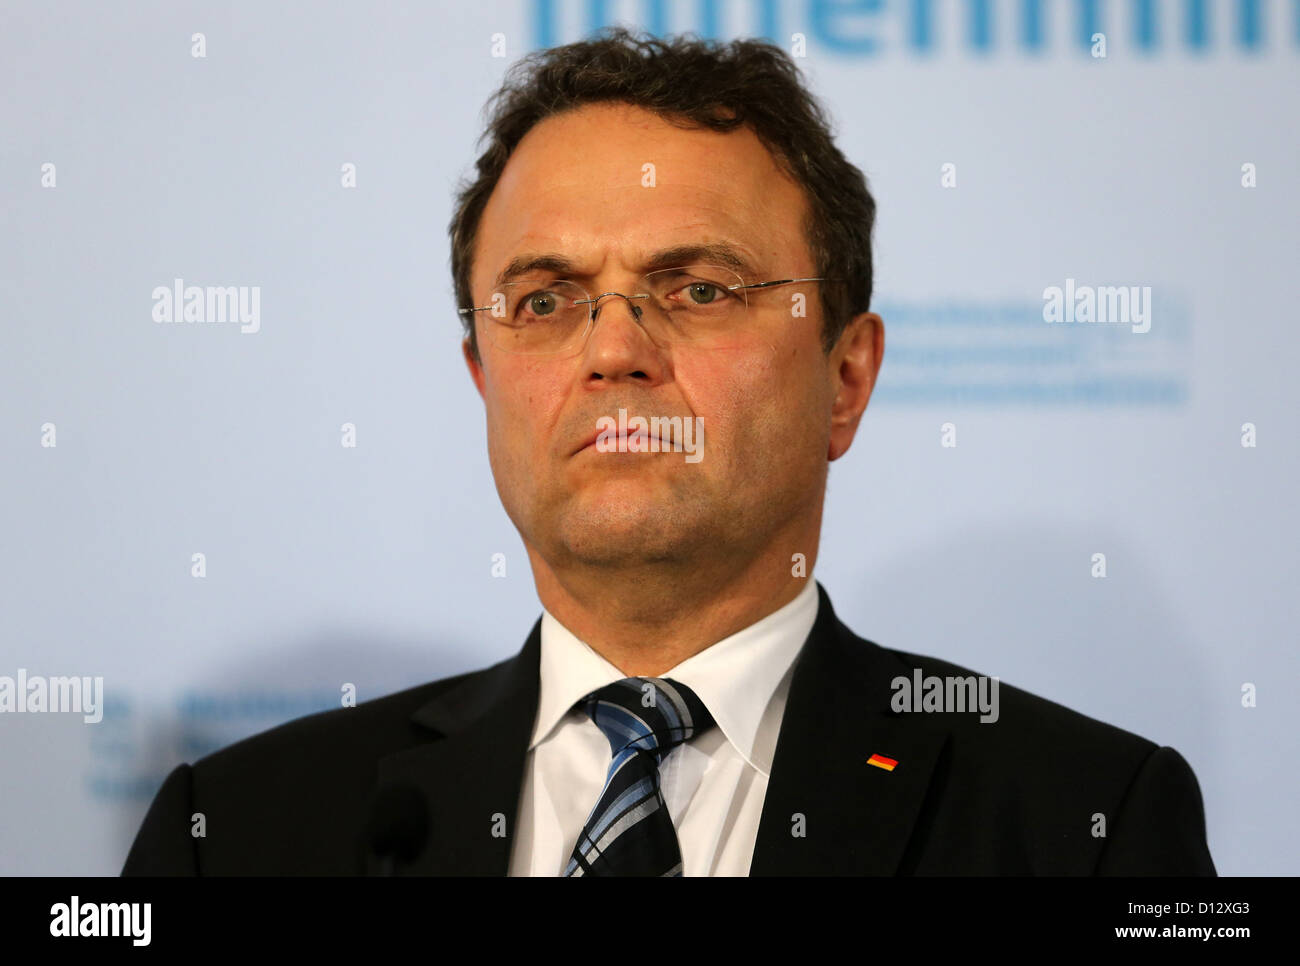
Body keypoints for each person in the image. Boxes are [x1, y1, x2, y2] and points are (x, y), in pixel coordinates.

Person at [122, 28, 1214, 877]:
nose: (613, 350)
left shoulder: (1084, 822)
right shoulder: (239, 834)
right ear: (482, 381)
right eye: (544, 300)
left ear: (845, 379)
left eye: (697, 288)